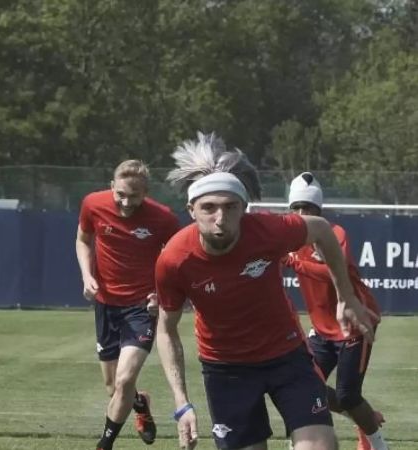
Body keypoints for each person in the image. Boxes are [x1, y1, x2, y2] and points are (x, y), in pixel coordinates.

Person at [153, 132, 377, 450]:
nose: (220, 219)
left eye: (231, 207)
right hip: (225, 368)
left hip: (286, 356)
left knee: (320, 447)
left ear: (244, 207)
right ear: (191, 210)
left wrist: (346, 296)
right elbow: (165, 330)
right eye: (209, 208)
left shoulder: (269, 231)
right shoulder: (174, 260)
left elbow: (323, 231)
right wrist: (182, 403)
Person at [75, 160, 180, 449]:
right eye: (120, 194)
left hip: (141, 309)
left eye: (134, 196)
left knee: (124, 380)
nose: (125, 202)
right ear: (112, 186)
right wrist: (87, 275)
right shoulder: (93, 204)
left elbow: (176, 262)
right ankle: (141, 404)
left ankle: (104, 444)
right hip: (106, 305)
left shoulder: (164, 219)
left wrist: (161, 295)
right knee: (113, 388)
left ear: (145, 192)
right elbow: (83, 240)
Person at [284, 172, 388, 450]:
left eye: (309, 208)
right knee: (303, 386)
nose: (303, 213)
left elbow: (333, 269)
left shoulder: (334, 233)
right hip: (321, 329)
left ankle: (377, 443)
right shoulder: (287, 238)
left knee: (348, 395)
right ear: (290, 209)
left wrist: (295, 263)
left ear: (320, 211)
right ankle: (362, 419)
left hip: (355, 323)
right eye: (297, 208)